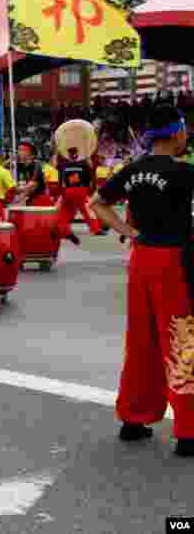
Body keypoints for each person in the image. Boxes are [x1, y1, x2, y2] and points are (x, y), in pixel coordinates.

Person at [89, 105, 194, 458]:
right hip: (174, 261)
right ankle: (189, 430)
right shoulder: (184, 173)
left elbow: (97, 204)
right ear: (177, 133)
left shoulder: (132, 171)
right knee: (181, 337)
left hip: (142, 259)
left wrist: (130, 232)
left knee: (142, 338)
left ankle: (134, 418)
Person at [56, 147, 102, 245]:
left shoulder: (63, 165)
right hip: (81, 190)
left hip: (67, 190)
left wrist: (61, 191)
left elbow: (60, 180)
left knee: (65, 213)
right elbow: (89, 178)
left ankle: (64, 231)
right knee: (86, 210)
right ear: (77, 154)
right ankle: (95, 229)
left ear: (68, 154)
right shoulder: (83, 164)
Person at [16, 140, 52, 206]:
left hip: (40, 200)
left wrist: (18, 198)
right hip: (31, 200)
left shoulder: (37, 165)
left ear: (30, 153)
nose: (19, 152)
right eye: (18, 150)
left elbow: (32, 185)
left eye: (22, 150)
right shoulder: (21, 166)